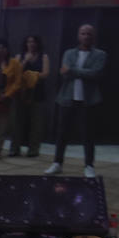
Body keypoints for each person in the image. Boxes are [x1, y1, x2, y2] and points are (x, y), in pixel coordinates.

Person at [45, 24, 106, 178]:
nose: (86, 36)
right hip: (67, 98)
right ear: (78, 36)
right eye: (83, 33)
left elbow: (95, 74)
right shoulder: (69, 53)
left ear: (93, 37)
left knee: (88, 134)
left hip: (89, 100)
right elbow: (64, 75)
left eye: (89, 34)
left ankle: (89, 165)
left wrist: (73, 70)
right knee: (62, 133)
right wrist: (77, 72)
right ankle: (57, 163)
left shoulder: (100, 54)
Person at [11, 35, 50, 157]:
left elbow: (45, 74)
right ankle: (15, 148)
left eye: (33, 42)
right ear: (25, 43)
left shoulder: (44, 56)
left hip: (37, 93)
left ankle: (33, 149)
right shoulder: (19, 56)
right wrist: (26, 61)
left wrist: (31, 75)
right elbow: (15, 72)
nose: (31, 44)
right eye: (29, 42)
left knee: (36, 123)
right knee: (18, 122)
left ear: (37, 43)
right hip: (21, 93)